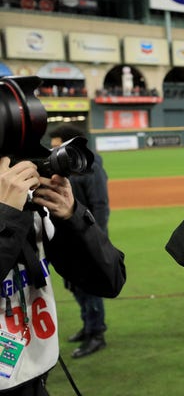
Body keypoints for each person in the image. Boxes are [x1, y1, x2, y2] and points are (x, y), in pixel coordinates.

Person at [0, 156, 126, 393]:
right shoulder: (11, 211)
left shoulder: (30, 209)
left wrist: (73, 215)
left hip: (35, 379)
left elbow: (110, 280)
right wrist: (5, 217)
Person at [48, 125, 111, 359]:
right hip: (65, 238)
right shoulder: (63, 168)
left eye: (57, 146)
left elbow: (100, 206)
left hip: (85, 238)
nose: (52, 151)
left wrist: (94, 239)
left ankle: (97, 334)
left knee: (90, 286)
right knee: (75, 286)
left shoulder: (90, 166)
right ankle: (88, 327)